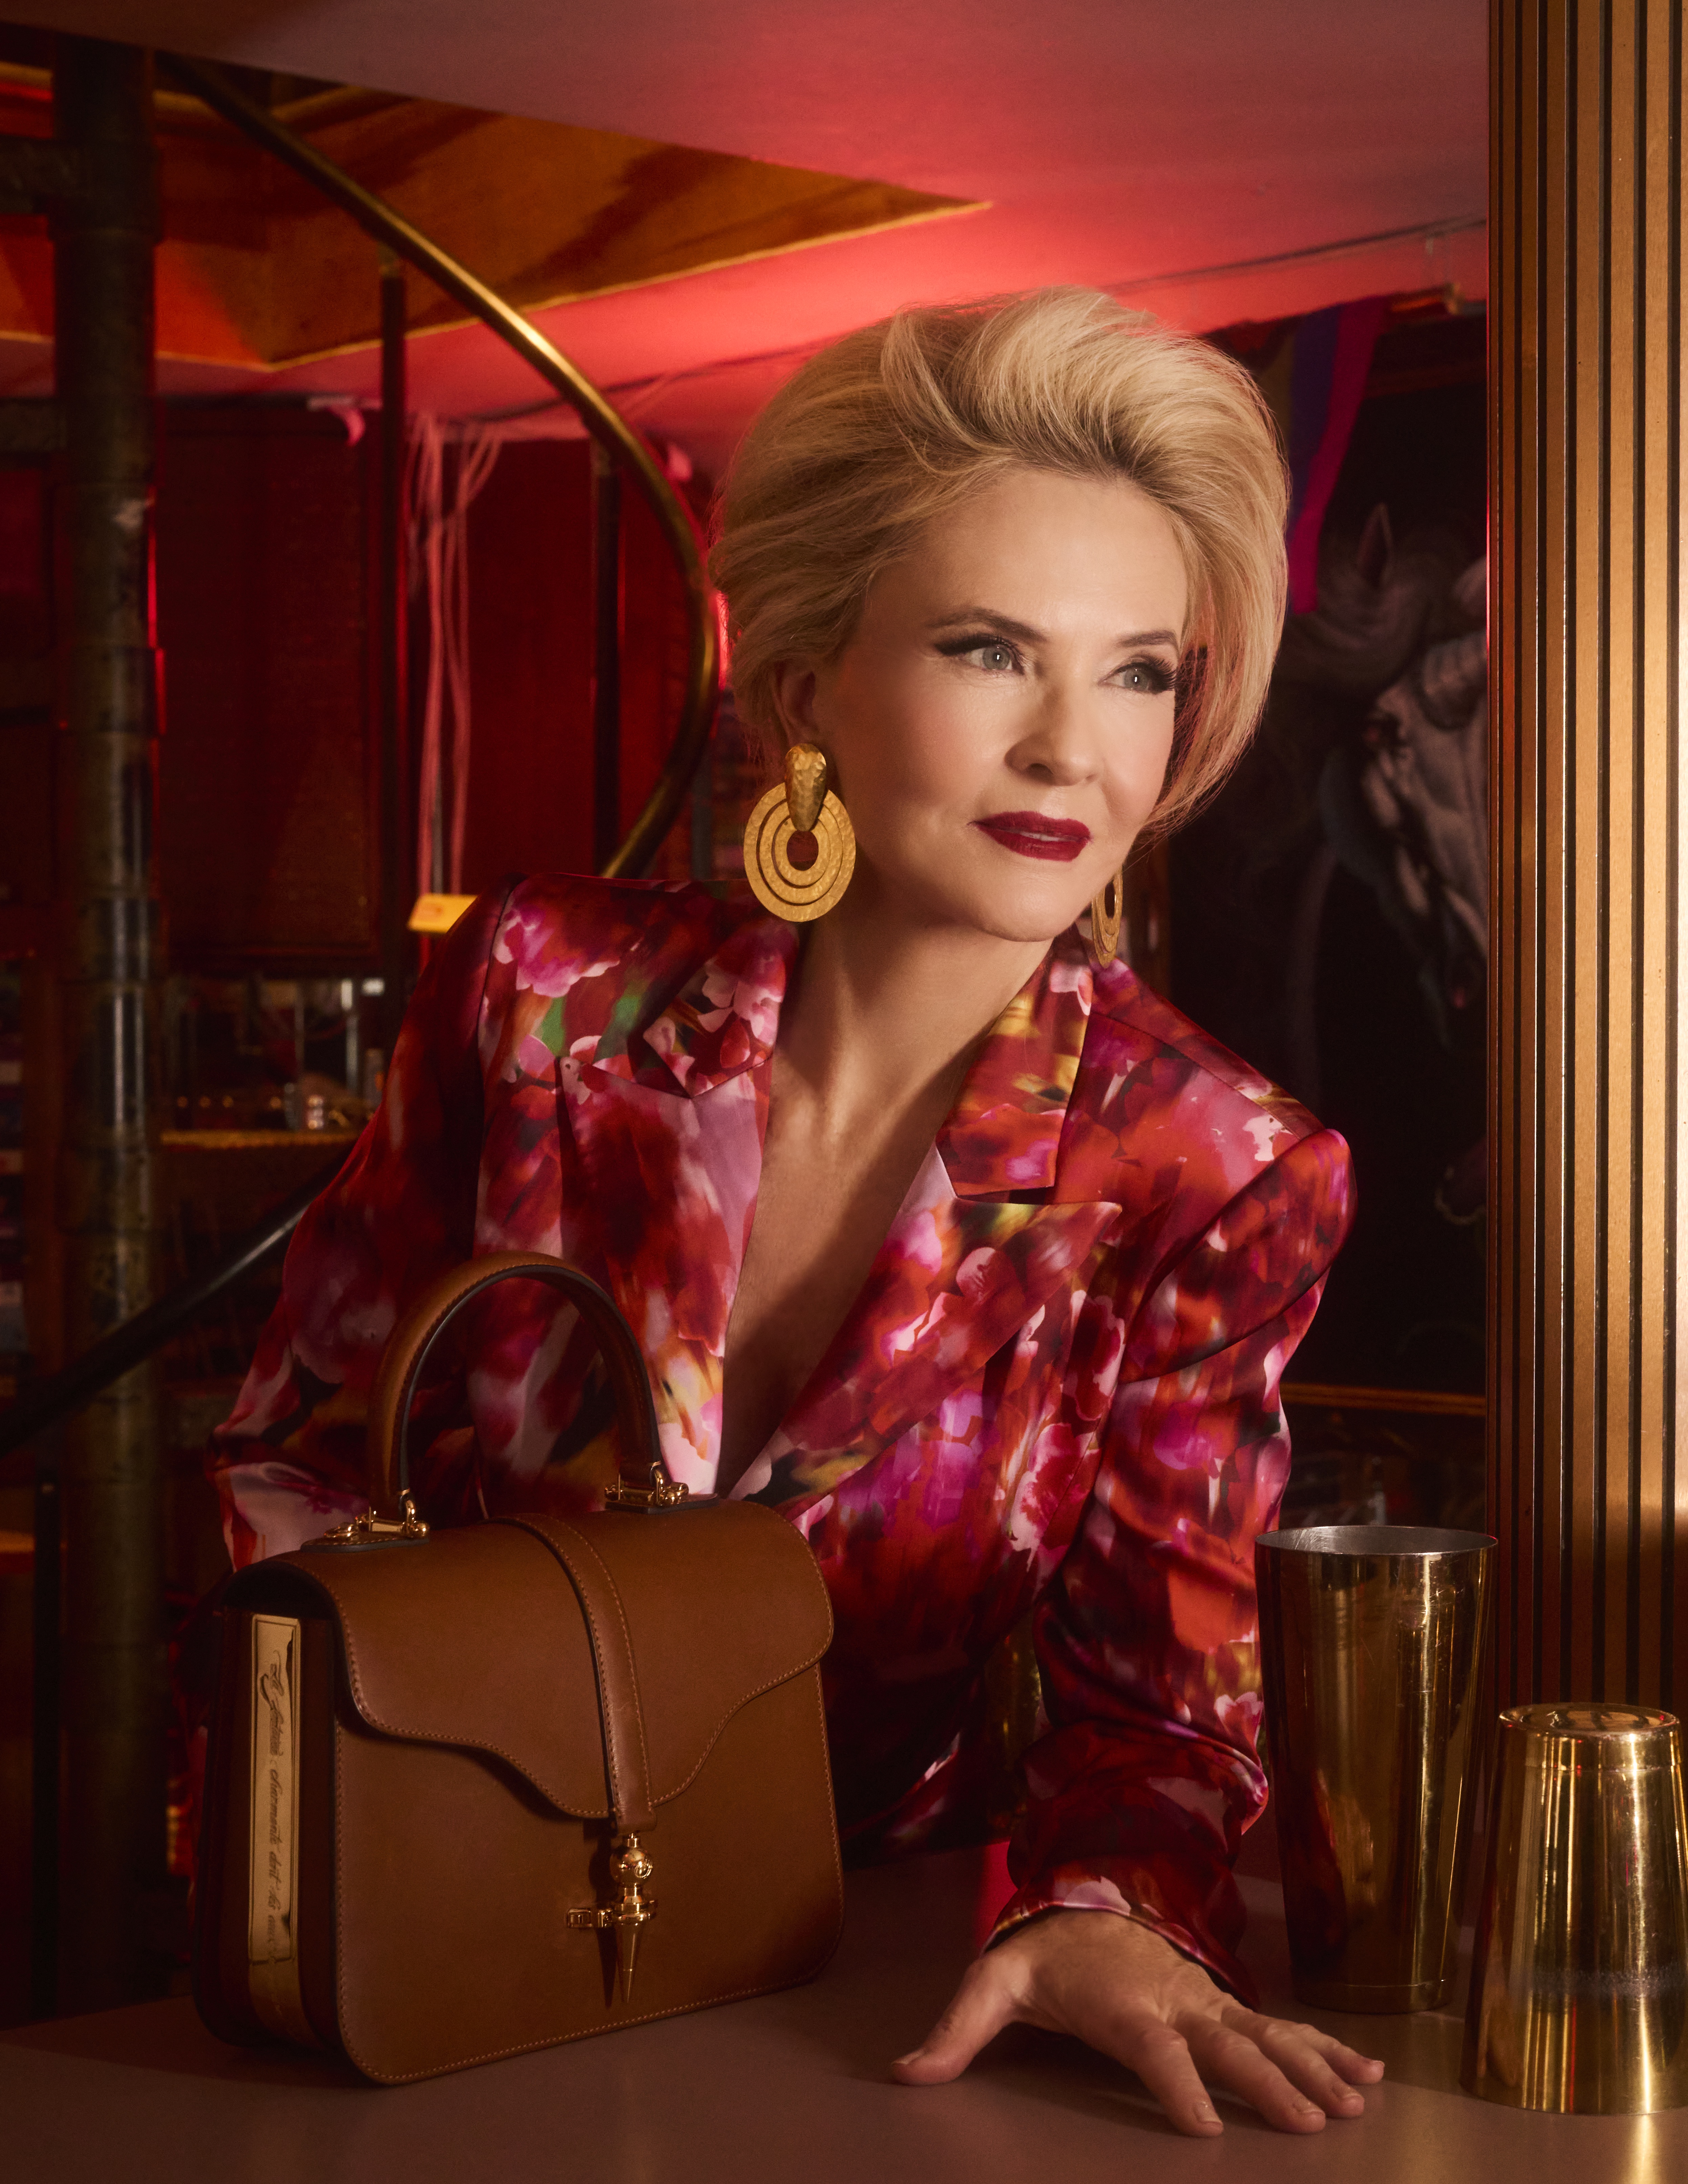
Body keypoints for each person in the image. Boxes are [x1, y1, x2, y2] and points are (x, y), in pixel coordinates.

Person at [209, 287, 1382, 2136]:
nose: (1074, 749)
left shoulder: (1209, 1161)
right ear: (808, 686)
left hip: (842, 1999)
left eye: (1141, 671)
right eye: (993, 650)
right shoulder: (540, 995)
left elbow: (1160, 1710)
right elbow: (297, 1450)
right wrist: (365, 1807)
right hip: (415, 1932)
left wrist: (1106, 1913)